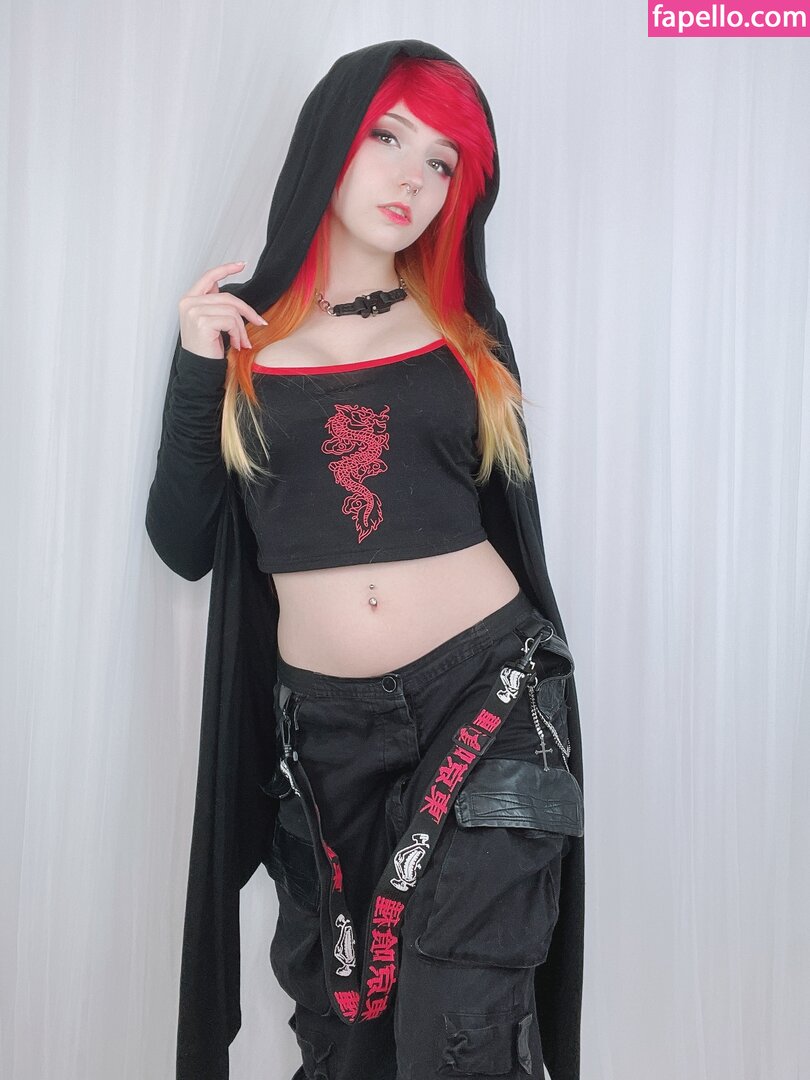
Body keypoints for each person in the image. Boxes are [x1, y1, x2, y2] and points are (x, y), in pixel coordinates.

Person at [146, 39, 585, 1080]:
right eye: (388, 136)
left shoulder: (463, 329)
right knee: (344, 1034)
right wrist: (197, 367)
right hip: (326, 732)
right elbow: (182, 544)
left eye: (442, 161)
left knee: (462, 1027)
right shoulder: (241, 343)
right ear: (327, 142)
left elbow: (505, 513)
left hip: (492, 692)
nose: (413, 178)